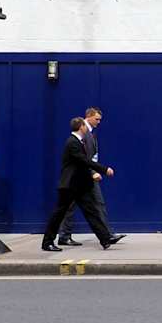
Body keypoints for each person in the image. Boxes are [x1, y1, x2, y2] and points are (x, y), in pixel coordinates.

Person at [42, 117, 124, 251]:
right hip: (69, 186)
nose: (86, 127)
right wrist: (104, 169)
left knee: (91, 212)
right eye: (84, 126)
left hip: (79, 186)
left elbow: (82, 164)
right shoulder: (72, 143)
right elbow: (85, 161)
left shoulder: (77, 142)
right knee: (59, 214)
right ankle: (47, 242)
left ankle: (105, 238)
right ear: (81, 127)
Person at [58, 107, 114, 246]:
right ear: (87, 118)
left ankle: (106, 235)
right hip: (82, 177)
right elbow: (85, 159)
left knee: (91, 206)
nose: (99, 122)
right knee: (82, 206)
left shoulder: (89, 135)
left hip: (83, 176)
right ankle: (62, 236)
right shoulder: (82, 136)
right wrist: (95, 171)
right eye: (97, 119)